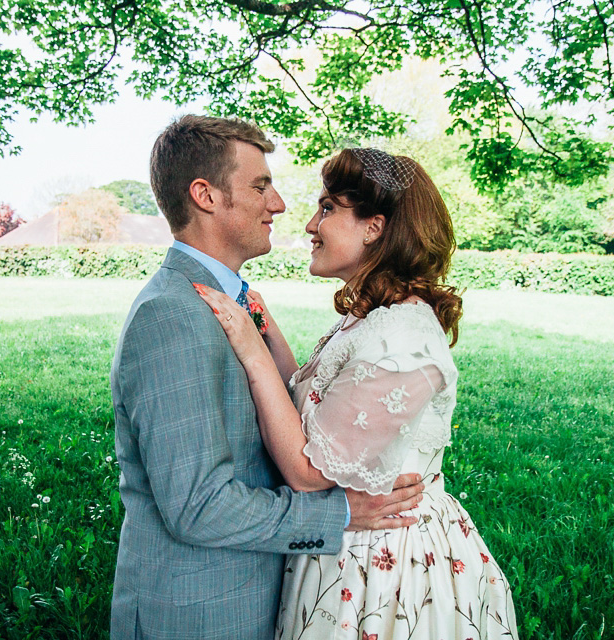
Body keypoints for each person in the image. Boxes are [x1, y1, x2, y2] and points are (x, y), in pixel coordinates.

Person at [109, 117, 426, 640]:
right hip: (198, 614)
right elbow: (197, 507)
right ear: (205, 196)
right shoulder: (171, 316)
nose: (279, 205)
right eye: (261, 186)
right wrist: (339, 512)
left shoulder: (230, 303)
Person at [195, 148, 519, 639]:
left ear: (375, 227)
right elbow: (310, 406)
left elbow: (308, 473)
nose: (309, 223)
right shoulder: (370, 321)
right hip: (349, 543)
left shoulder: (402, 338)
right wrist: (265, 328)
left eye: (327, 208)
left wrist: (251, 349)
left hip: (388, 564)